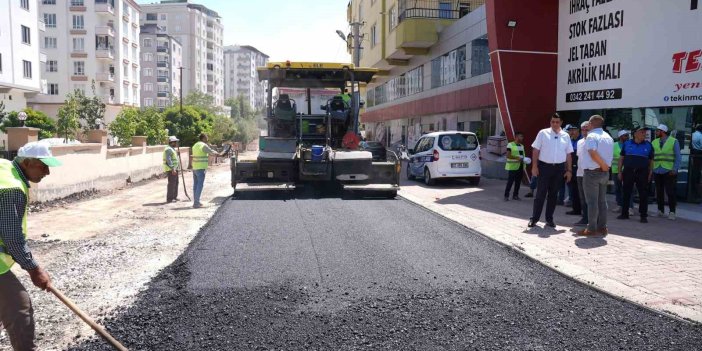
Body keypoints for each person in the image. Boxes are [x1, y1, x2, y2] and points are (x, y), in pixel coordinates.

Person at [1, 141, 61, 350]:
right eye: (43, 166)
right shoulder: (12, 187)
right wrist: (34, 269)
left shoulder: (4, 168)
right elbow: (11, 236)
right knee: (19, 308)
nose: (47, 172)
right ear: (27, 163)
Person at [528, 113, 573, 228]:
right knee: (540, 194)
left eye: (557, 122)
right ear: (550, 122)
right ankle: (534, 219)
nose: (554, 124)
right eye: (552, 121)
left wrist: (569, 170)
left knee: (553, 195)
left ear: (561, 122)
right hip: (544, 167)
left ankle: (549, 219)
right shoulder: (543, 133)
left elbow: (568, 154)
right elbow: (535, 150)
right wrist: (534, 166)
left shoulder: (566, 136)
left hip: (559, 169)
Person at [578, 115, 614, 236]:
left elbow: (592, 153)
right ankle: (602, 227)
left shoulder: (591, 136)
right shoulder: (608, 136)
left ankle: (591, 228)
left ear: (591, 123)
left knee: (592, 202)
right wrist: (604, 167)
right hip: (604, 173)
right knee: (602, 201)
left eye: (588, 122)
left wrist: (602, 165)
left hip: (592, 172)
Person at [617, 127, 654, 223]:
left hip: (642, 172)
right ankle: (624, 214)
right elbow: (621, 159)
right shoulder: (627, 144)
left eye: (645, 132)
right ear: (635, 134)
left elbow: (651, 161)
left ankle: (643, 216)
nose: (644, 134)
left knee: (643, 194)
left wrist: (650, 173)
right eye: (642, 132)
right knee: (626, 192)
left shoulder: (649, 145)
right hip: (628, 171)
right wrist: (620, 172)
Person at [652, 124, 682, 220]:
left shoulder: (673, 141)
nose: (656, 132)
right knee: (659, 192)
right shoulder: (654, 142)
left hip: (669, 171)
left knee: (670, 192)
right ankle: (660, 210)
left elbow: (678, 157)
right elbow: (652, 156)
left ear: (663, 132)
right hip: (657, 169)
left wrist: (675, 169)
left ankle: (672, 212)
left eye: (657, 131)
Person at [191, 133, 226, 208]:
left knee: (195, 185)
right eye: (206, 137)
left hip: (195, 168)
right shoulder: (203, 145)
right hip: (200, 168)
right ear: (203, 138)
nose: (207, 139)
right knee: (200, 185)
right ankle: (196, 203)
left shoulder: (195, 145)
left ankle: (196, 201)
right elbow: (210, 151)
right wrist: (219, 154)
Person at [574, 121, 590, 226]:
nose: (584, 131)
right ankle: (585, 218)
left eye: (586, 129)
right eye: (582, 129)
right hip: (580, 173)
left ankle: (593, 219)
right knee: (582, 197)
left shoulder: (594, 141)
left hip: (590, 173)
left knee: (591, 198)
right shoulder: (579, 142)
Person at [611, 130, 630, 214]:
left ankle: (629, 207)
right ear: (620, 137)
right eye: (625, 135)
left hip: (627, 170)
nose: (627, 137)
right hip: (615, 170)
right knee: (617, 188)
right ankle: (619, 205)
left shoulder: (630, 144)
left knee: (627, 189)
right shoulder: (614, 145)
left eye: (627, 135)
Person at [564, 124, 582, 215]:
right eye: (570, 130)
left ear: (578, 130)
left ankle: (584, 210)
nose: (572, 132)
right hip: (572, 168)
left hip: (581, 168)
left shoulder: (582, 140)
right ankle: (576, 209)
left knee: (581, 191)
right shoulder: (570, 141)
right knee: (573, 190)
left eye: (574, 130)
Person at [504, 132, 526, 201]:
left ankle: (515, 195)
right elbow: (508, 155)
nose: (522, 138)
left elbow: (522, 156)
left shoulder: (522, 146)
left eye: (522, 136)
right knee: (510, 182)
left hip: (520, 166)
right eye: (521, 136)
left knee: (518, 182)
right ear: (516, 137)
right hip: (513, 167)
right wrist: (517, 158)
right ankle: (506, 196)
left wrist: (525, 160)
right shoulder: (510, 145)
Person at [163, 136, 180, 203]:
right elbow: (168, 160)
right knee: (172, 184)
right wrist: (173, 168)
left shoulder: (172, 149)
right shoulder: (168, 149)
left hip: (174, 168)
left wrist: (177, 154)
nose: (176, 143)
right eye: (175, 142)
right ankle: (169, 198)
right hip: (171, 169)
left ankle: (174, 197)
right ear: (172, 142)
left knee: (176, 183)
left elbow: (174, 158)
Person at [691, 124, 702, 201]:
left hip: (693, 153)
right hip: (699, 154)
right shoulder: (701, 136)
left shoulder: (692, 134)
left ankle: (693, 185)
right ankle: (697, 188)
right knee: (698, 171)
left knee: (694, 169)